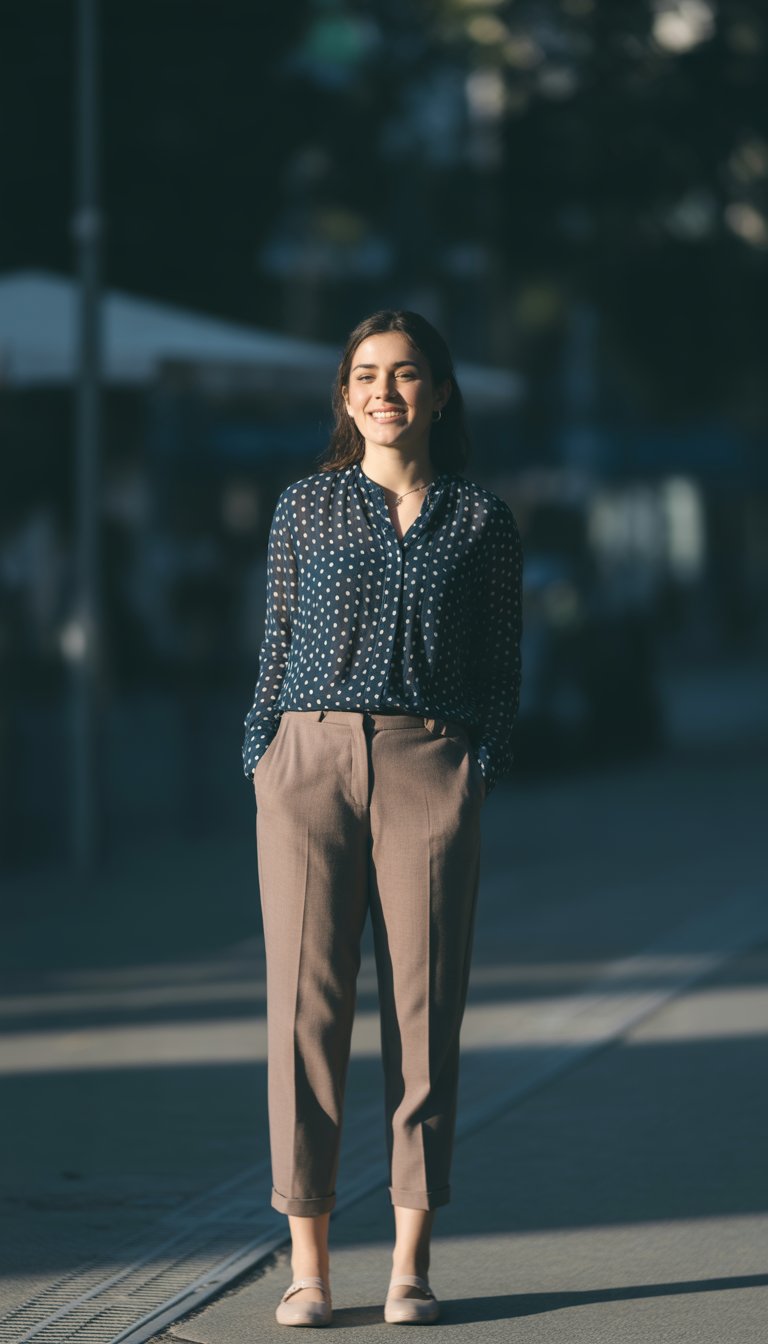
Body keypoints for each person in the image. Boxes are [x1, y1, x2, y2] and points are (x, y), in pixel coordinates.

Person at [241, 309, 523, 1327]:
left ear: (440, 395)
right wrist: (266, 757)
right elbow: (272, 649)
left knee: (423, 1019)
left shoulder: (483, 520)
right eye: (366, 374)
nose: (384, 391)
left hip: (427, 767)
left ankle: (410, 1262)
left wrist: (469, 767)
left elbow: (500, 673)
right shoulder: (305, 509)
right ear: (345, 393)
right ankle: (308, 1266)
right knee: (306, 1020)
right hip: (307, 764)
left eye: (406, 375)